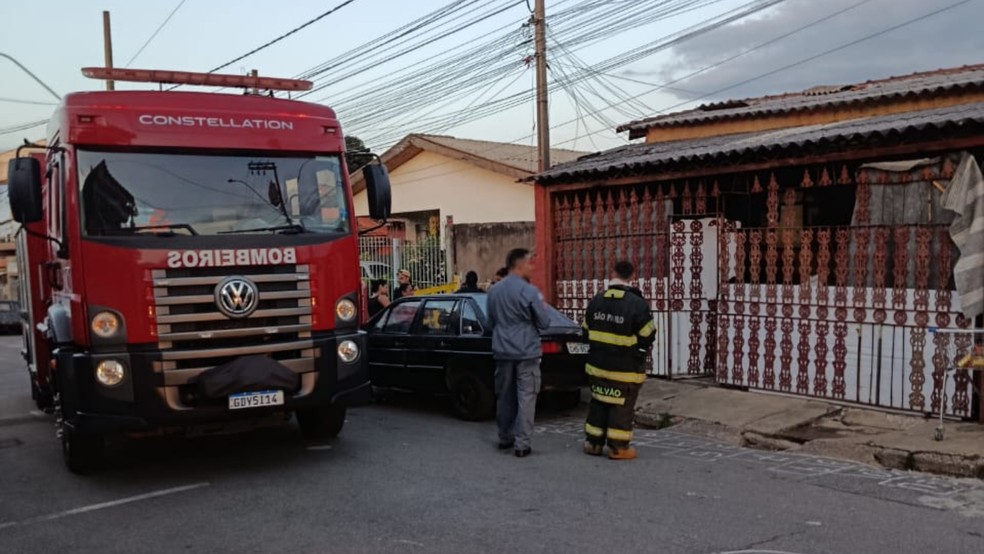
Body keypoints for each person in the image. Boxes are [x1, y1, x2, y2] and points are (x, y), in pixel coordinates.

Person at [582, 260, 655, 460]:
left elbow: (586, 331)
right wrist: (638, 352)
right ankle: (618, 448)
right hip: (624, 370)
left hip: (597, 367)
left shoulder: (596, 300)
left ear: (611, 273)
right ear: (633, 276)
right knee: (620, 408)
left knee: (598, 404)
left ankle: (593, 444)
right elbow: (648, 334)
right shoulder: (636, 304)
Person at [487, 248, 551, 458]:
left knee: (504, 395)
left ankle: (504, 437)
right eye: (530, 264)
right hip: (526, 352)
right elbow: (544, 322)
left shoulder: (494, 291)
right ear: (519, 265)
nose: (532, 268)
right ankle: (522, 444)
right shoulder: (530, 291)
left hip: (502, 351)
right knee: (526, 396)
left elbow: (490, 323)